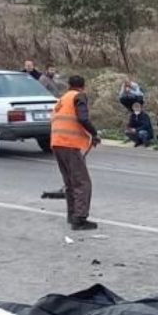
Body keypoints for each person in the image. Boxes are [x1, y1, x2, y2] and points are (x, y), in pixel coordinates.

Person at [50, 75, 101, 231]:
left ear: (68, 85)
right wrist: (95, 133)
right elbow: (83, 118)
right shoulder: (79, 96)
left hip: (57, 143)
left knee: (70, 182)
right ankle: (79, 219)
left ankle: (72, 215)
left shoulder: (62, 99)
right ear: (83, 86)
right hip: (69, 144)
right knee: (82, 182)